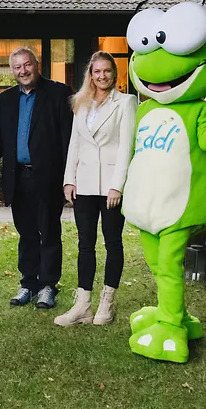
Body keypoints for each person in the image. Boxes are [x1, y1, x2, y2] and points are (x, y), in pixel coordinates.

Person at [54, 52, 137, 327]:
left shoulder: (126, 103)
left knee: (113, 242)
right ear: (90, 74)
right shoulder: (81, 103)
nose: (102, 76)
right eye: (96, 71)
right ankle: (83, 304)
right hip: (85, 183)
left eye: (107, 71)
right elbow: (74, 144)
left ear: (115, 73)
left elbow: (127, 146)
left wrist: (118, 185)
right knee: (84, 244)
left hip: (111, 184)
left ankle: (107, 302)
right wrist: (69, 179)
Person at [0, 46, 73, 309]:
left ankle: (48, 285)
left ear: (36, 65)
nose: (23, 71)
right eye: (17, 67)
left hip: (48, 177)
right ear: (12, 71)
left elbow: (68, 140)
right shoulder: (5, 100)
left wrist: (68, 177)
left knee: (49, 232)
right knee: (26, 233)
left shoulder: (58, 93)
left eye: (27, 65)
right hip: (18, 178)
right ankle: (28, 283)